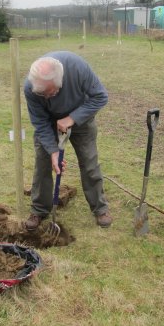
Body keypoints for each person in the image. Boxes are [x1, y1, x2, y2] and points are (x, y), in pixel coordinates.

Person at [23, 50, 112, 230]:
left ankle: (100, 208)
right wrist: (53, 152)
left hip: (81, 118)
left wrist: (72, 118)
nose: (46, 98)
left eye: (50, 93)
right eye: (42, 95)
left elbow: (100, 96)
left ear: (60, 82)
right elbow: (40, 122)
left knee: (89, 163)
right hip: (49, 122)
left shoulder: (77, 68)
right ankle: (39, 209)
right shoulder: (31, 87)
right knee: (43, 163)